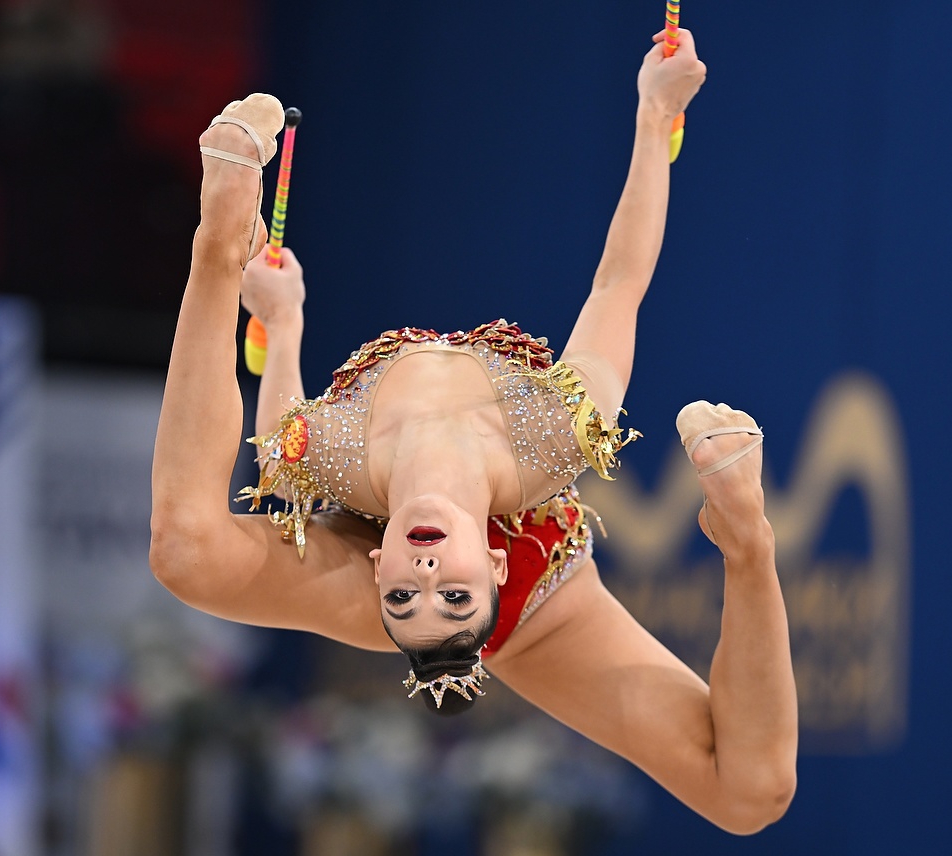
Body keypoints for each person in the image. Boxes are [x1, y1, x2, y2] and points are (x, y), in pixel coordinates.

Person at [150, 28, 797, 834]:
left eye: (404, 593)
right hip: (545, 598)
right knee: (754, 797)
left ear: (375, 559)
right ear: (494, 560)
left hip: (371, 458)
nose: (424, 573)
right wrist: (652, 114)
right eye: (450, 591)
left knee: (182, 554)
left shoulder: (338, 465)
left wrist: (282, 323)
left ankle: (211, 240)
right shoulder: (554, 436)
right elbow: (619, 284)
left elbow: (281, 444)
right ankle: (746, 536)